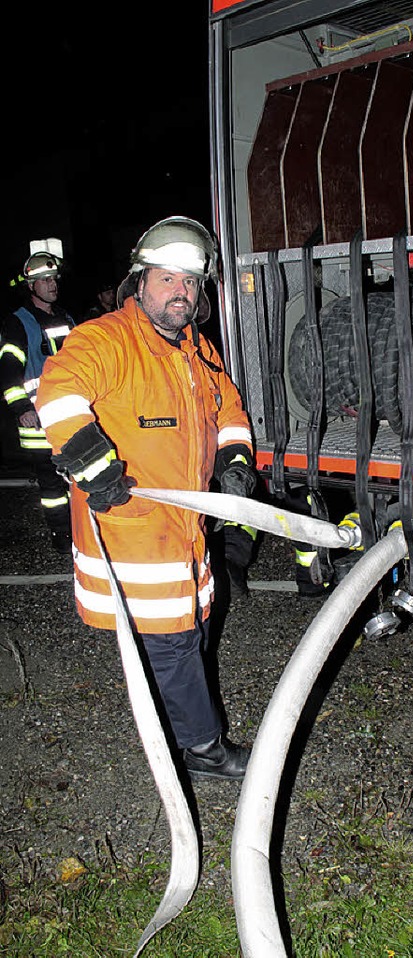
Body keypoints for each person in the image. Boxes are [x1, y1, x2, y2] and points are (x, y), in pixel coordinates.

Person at [35, 216, 256, 782]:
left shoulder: (196, 351)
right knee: (176, 646)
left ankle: (175, 718)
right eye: (166, 280)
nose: (179, 293)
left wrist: (233, 459)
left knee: (196, 629)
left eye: (189, 283)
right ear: (140, 283)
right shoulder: (106, 338)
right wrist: (92, 464)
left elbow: (228, 409)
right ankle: (203, 749)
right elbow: (57, 393)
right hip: (133, 531)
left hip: (185, 530)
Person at [0, 249, 74, 552]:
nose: (52, 284)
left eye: (54, 278)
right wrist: (21, 408)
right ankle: (62, 537)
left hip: (70, 412)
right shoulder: (18, 323)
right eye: (44, 280)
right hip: (38, 419)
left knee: (77, 476)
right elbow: (8, 372)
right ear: (31, 286)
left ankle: (79, 531)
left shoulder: (66, 317)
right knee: (52, 485)